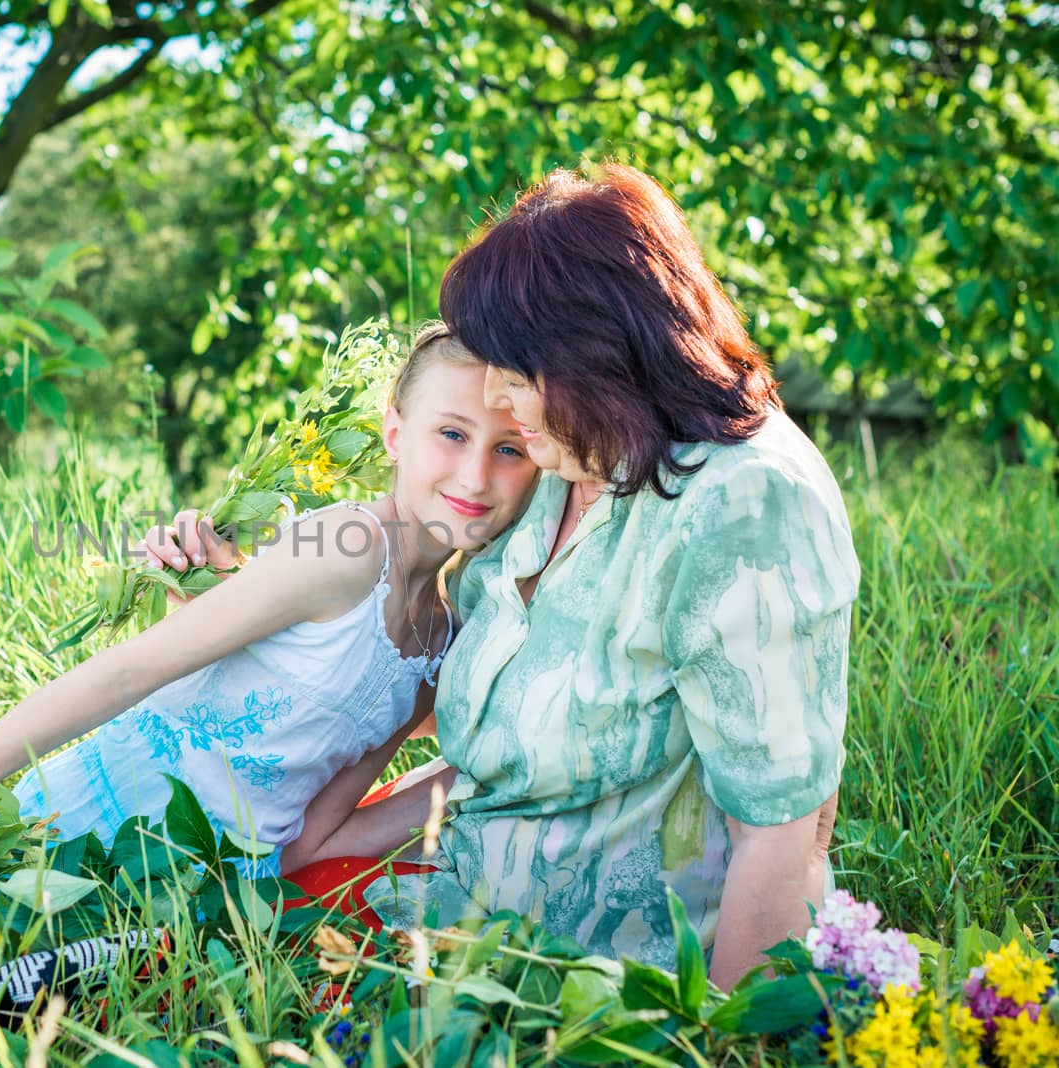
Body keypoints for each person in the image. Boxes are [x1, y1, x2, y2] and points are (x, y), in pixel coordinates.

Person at [147, 164, 859, 988]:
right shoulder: (573, 453)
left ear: (594, 353)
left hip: (588, 971)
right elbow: (481, 690)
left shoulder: (747, 502)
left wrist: (722, 1041)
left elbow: (783, 827)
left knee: (194, 974)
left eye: (514, 372)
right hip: (449, 883)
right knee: (167, 928)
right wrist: (253, 608)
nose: (496, 397)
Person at [0, 325, 539, 893]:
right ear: (396, 432)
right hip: (78, 829)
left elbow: (311, 845)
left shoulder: (435, 651)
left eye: (509, 448)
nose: (476, 475)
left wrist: (480, 782)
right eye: (451, 433)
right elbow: (128, 672)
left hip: (195, 910)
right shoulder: (345, 550)